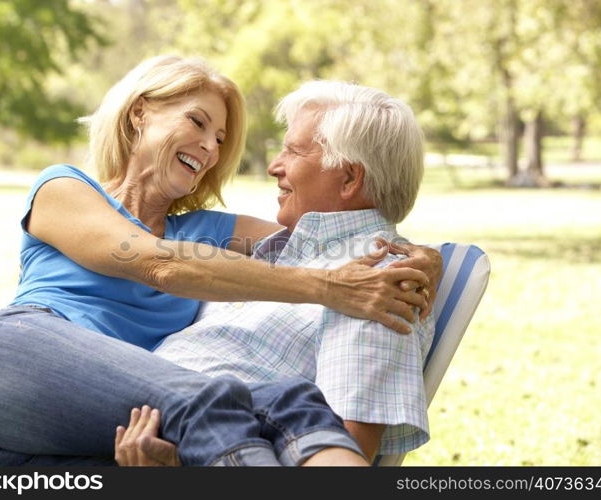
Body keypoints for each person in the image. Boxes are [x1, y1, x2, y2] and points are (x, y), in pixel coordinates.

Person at [0, 56, 433, 466]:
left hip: (101, 428)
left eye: (221, 139)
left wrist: (422, 257)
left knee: (284, 399)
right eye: (197, 122)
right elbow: (157, 263)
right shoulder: (64, 189)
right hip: (14, 364)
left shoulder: (211, 233)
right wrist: (331, 288)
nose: (209, 147)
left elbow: (333, 235)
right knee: (216, 401)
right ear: (140, 113)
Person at [120, 80, 440, 465]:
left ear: (350, 178)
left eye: (292, 150)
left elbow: (338, 453)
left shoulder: (378, 283)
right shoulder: (278, 252)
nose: (274, 166)